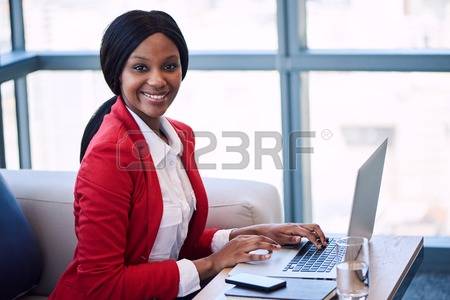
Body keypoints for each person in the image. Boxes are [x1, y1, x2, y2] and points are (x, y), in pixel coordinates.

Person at [50, 10, 327, 300]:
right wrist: (212, 263)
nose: (158, 81)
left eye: (169, 66)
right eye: (141, 68)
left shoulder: (180, 136)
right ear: (116, 72)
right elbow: (101, 285)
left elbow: (173, 245)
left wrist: (252, 234)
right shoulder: (109, 156)